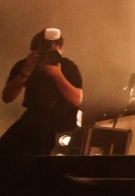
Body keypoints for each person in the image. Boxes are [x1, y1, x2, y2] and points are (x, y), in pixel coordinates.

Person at [0, 28, 83, 156]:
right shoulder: (26, 64)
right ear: (35, 50)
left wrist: (58, 75)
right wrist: (26, 71)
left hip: (61, 125)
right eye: (45, 51)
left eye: (53, 52)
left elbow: (76, 99)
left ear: (61, 50)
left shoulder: (67, 67)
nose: (49, 56)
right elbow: (7, 97)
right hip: (33, 120)